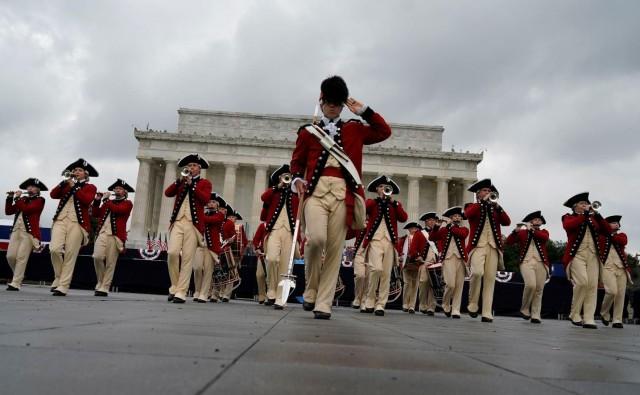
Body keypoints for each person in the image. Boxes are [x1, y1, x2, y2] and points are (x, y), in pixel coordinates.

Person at [290, 75, 391, 319]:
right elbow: (297, 162)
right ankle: (312, 287)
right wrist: (296, 180)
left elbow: (384, 131)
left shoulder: (355, 129)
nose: (333, 106)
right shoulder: (308, 132)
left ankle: (323, 302)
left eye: (338, 102)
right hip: (316, 192)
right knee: (315, 239)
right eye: (329, 102)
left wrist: (363, 110)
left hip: (343, 194)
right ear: (322, 102)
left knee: (335, 249)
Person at [164, 153, 212, 304]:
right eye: (189, 166)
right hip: (178, 221)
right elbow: (167, 193)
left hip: (193, 224)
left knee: (187, 259)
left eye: (194, 166)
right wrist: (179, 181)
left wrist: (192, 185)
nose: (191, 168)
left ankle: (181, 292)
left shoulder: (205, 183)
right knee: (172, 253)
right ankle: (175, 285)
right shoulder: (181, 182)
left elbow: (205, 199)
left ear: (199, 168)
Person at [562, 192, 611, 329]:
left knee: (592, 286)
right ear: (575, 206)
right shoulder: (568, 217)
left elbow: (607, 230)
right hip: (577, 254)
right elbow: (569, 226)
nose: (586, 206)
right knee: (582, 282)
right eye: (582, 204)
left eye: (586, 203)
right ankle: (574, 313)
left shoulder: (593, 218)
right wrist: (585, 215)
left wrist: (598, 215)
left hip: (593, 255)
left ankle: (589, 318)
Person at [464, 178, 511, 322]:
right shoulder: (472, 206)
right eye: (485, 191)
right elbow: (468, 215)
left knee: (490, 279)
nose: (488, 193)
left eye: (490, 191)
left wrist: (498, 207)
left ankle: (486, 311)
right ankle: (472, 303)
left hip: (494, 247)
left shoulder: (495, 209)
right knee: (477, 273)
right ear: (478, 194)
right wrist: (482, 202)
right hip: (478, 246)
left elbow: (507, 222)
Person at [50, 159, 98, 296]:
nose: (76, 172)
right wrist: (64, 182)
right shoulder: (66, 185)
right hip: (60, 219)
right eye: (75, 170)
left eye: (80, 170)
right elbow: (53, 195)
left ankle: (63, 286)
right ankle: (59, 277)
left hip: (78, 223)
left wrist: (74, 186)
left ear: (85, 174)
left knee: (70, 254)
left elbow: (86, 200)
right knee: (54, 249)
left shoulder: (90, 187)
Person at [361, 176, 408, 316]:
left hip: (389, 242)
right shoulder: (372, 202)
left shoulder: (394, 205)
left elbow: (403, 218)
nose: (384, 189)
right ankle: (370, 299)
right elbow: (365, 209)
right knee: (376, 269)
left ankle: (381, 304)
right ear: (377, 189)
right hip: (375, 240)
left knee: (386, 274)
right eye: (381, 187)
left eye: (386, 188)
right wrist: (378, 199)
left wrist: (393, 202)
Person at [260, 164, 299, 309]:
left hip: (289, 231)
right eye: (284, 176)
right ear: (279, 178)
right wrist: (278, 186)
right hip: (274, 230)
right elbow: (264, 197)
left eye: (288, 176)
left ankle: (280, 298)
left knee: (285, 266)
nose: (287, 179)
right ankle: (271, 288)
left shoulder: (296, 194)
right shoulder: (274, 192)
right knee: (271, 259)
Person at [91, 179, 134, 297]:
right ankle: (100, 281)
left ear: (125, 192)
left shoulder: (128, 203)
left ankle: (105, 287)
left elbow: (118, 210)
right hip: (103, 233)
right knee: (97, 257)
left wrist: (106, 200)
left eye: (119, 189)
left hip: (116, 236)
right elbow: (95, 213)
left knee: (110, 262)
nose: (117, 190)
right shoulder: (107, 202)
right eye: (116, 189)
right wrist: (97, 200)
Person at [505, 211, 550, 324]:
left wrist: (532, 230)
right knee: (530, 285)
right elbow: (509, 242)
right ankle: (525, 309)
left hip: (541, 262)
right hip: (526, 261)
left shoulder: (544, 232)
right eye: (535, 220)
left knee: (539, 289)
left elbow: (544, 238)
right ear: (530, 222)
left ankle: (536, 314)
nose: (538, 221)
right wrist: (515, 231)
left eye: (539, 220)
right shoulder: (523, 233)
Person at [4, 178, 47, 291]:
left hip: (29, 233)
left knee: (21, 257)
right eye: (28, 187)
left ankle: (16, 282)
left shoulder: (40, 200)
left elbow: (27, 209)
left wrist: (17, 198)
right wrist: (10, 198)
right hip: (16, 230)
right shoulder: (22, 199)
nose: (29, 188)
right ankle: (19, 276)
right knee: (10, 256)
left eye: (32, 187)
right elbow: (9, 211)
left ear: (38, 189)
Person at [435, 207, 469, 318]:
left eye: (459, 216)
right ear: (450, 218)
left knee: (459, 286)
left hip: (461, 259)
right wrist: (436, 226)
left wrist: (450, 225)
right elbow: (432, 237)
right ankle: (445, 303)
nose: (457, 218)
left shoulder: (464, 229)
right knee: (450, 284)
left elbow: (461, 235)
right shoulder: (444, 230)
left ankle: (455, 309)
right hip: (448, 258)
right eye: (455, 216)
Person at [599, 215, 630, 329]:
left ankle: (617, 319)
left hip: (621, 268)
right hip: (607, 267)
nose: (616, 224)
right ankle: (604, 312)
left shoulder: (622, 235)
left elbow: (622, 241)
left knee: (620, 295)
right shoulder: (601, 236)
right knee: (611, 291)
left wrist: (610, 233)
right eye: (613, 223)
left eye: (617, 223)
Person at [418, 212, 441, 315]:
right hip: (424, 261)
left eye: (434, 220)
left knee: (434, 284)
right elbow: (415, 247)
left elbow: (440, 245)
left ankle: (431, 307)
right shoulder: (420, 233)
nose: (433, 222)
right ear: (426, 221)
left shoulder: (438, 233)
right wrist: (416, 255)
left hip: (435, 261)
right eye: (431, 220)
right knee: (423, 282)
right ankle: (422, 305)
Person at [399, 222, 424, 314]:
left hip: (417, 264)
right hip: (406, 264)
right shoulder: (404, 239)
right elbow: (399, 250)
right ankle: (405, 304)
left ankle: (412, 306)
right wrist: (400, 257)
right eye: (412, 228)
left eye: (416, 228)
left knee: (415, 284)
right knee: (407, 283)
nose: (414, 230)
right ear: (409, 230)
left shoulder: (421, 239)